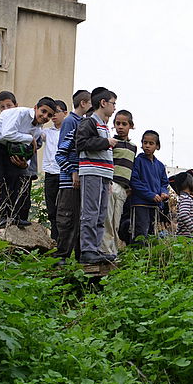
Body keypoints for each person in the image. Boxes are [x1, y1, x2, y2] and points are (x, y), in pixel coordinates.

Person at [0, 96, 57, 228]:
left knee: (16, 176)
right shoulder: (20, 113)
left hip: (5, 145)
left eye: (49, 115)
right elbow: (7, 133)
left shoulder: (37, 130)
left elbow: (29, 150)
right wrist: (29, 138)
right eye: (43, 111)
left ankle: (14, 216)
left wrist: (25, 164)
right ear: (35, 108)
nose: (45, 116)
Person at [76, 87, 118, 263]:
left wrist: (109, 178)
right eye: (113, 103)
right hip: (92, 172)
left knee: (101, 214)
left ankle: (96, 248)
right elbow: (81, 143)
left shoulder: (105, 126)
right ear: (103, 103)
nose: (114, 107)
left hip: (104, 174)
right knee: (90, 212)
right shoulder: (89, 122)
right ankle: (87, 250)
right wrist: (105, 142)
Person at [53, 89, 91, 264]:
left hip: (80, 179)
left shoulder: (82, 122)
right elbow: (62, 151)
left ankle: (76, 256)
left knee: (78, 219)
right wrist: (72, 171)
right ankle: (62, 256)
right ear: (83, 103)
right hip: (69, 180)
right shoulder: (70, 121)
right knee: (67, 218)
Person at [100, 109, 137, 256]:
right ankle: (105, 250)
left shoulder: (133, 147)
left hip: (123, 189)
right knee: (107, 220)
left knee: (116, 222)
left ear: (131, 126)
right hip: (111, 184)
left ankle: (113, 251)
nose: (120, 127)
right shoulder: (112, 142)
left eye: (124, 124)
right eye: (118, 123)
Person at [129, 130, 169, 241]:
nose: (147, 146)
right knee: (140, 232)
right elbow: (134, 181)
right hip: (140, 204)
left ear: (157, 146)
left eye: (151, 143)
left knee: (152, 234)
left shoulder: (160, 165)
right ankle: (137, 255)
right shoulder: (137, 161)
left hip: (155, 205)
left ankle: (148, 256)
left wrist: (164, 192)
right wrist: (150, 194)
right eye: (145, 142)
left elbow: (164, 182)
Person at [40, 99, 68, 241]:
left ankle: (64, 240)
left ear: (65, 113)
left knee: (63, 209)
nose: (54, 116)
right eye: (52, 114)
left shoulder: (70, 131)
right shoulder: (47, 132)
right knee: (51, 208)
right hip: (50, 173)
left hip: (64, 174)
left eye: (57, 112)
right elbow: (35, 132)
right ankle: (54, 239)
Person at [169, 171, 193, 237]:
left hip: (183, 235)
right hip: (186, 237)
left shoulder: (182, 198)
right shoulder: (186, 198)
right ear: (189, 184)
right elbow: (183, 214)